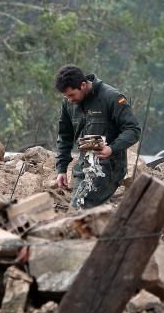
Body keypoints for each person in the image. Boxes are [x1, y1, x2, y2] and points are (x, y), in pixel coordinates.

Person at [53, 65, 141, 209]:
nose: (69, 100)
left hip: (108, 168)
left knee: (79, 207)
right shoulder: (68, 104)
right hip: (83, 168)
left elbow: (133, 129)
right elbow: (64, 136)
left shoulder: (111, 97)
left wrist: (111, 149)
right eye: (66, 96)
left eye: (71, 95)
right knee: (80, 212)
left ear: (82, 85)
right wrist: (61, 169)